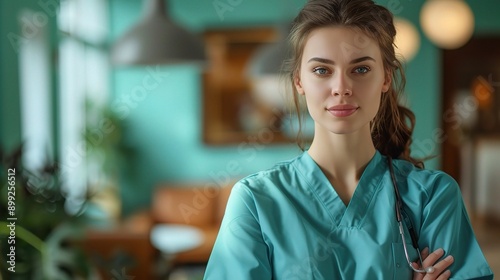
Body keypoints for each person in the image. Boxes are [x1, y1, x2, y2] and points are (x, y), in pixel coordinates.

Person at [203, 0, 494, 279]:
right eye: (321, 70)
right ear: (299, 80)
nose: (341, 87)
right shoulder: (256, 200)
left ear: (385, 78)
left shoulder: (433, 198)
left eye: (361, 69)